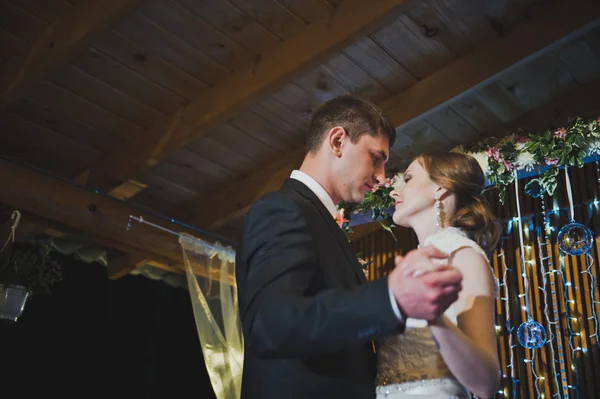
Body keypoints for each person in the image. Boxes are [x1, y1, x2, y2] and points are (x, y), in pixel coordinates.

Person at [235, 95, 464, 398]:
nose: (382, 178)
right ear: (338, 141)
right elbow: (269, 324)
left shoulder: (320, 220)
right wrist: (390, 298)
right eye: (376, 157)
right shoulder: (283, 208)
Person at [377, 152, 502, 398]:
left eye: (409, 179)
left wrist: (435, 319)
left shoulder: (463, 255)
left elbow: (486, 383)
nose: (394, 192)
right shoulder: (417, 263)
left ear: (441, 190)